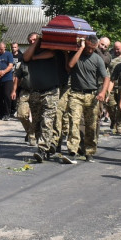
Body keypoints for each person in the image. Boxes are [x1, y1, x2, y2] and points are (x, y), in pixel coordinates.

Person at [23, 34, 73, 165]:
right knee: (37, 122)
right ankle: (46, 146)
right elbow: (25, 57)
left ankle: (42, 149)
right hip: (35, 92)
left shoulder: (52, 49)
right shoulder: (31, 52)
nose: (33, 42)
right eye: (30, 41)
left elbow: (51, 53)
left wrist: (36, 55)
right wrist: (35, 46)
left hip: (51, 91)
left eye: (35, 39)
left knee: (47, 120)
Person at [65, 36, 109, 161]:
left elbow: (106, 78)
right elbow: (70, 65)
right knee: (74, 122)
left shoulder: (97, 59)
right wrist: (81, 48)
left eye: (93, 49)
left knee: (91, 125)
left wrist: (103, 92)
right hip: (76, 94)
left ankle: (89, 151)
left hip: (92, 95)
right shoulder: (77, 55)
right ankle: (72, 150)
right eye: (88, 48)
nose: (90, 51)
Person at [0, 41, 16, 122]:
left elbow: (10, 65)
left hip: (7, 78)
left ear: (5, 48)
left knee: (7, 95)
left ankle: (7, 113)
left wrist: (3, 71)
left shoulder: (9, 54)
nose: (0, 51)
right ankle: (0, 113)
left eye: (2, 49)